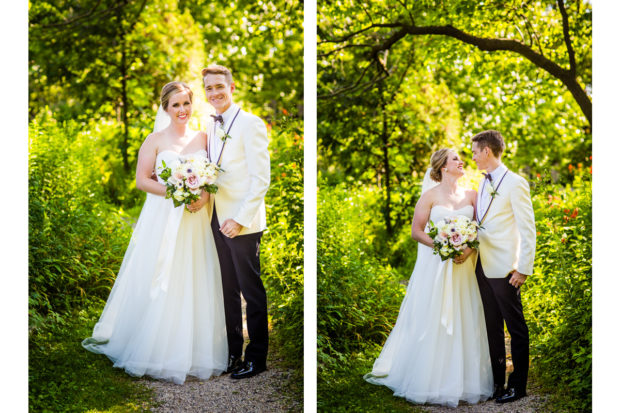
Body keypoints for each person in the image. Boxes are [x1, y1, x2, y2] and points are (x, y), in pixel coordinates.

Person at [82, 81, 228, 384]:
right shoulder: (154, 140)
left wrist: (201, 198)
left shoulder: (203, 138)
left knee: (194, 275)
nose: (182, 110)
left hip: (196, 221)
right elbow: (142, 181)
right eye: (175, 105)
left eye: (186, 103)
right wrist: (176, 192)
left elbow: (213, 179)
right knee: (163, 274)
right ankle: (156, 348)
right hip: (164, 216)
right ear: (165, 108)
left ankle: (197, 349)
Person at [364, 149, 493, 407]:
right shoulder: (430, 196)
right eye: (456, 159)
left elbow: (480, 228)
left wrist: (466, 250)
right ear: (444, 167)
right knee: (434, 316)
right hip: (438, 265)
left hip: (465, 267)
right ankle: (430, 379)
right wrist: (442, 246)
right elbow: (416, 231)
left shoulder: (473, 195)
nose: (462, 162)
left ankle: (466, 380)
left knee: (464, 315)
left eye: (461, 158)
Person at [202, 65, 271, 379]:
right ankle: (233, 354)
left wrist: (240, 220)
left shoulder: (251, 124)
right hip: (216, 217)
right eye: (209, 88)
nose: (214, 93)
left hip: (243, 223)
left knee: (250, 290)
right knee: (227, 288)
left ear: (232, 86)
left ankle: (257, 358)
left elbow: (261, 180)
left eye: (219, 86)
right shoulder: (211, 124)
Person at [471, 130, 536, 403]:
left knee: (516, 328)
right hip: (482, 266)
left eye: (475, 151)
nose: (472, 157)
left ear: (487, 151)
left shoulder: (515, 182)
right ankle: (498, 383)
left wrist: (523, 268)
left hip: (506, 270)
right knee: (492, 327)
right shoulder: (483, 182)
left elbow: (527, 228)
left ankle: (518, 386)